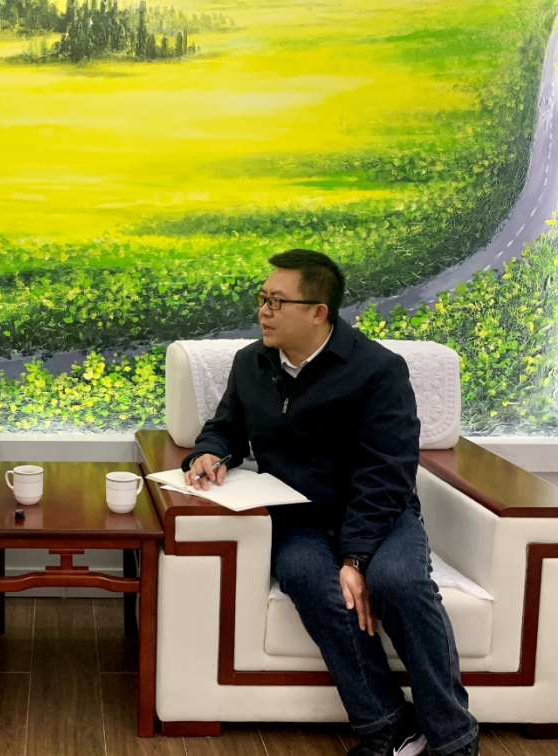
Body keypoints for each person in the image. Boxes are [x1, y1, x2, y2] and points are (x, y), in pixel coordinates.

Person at [183, 249, 479, 756]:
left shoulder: (378, 370)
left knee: (398, 584)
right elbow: (226, 426)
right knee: (307, 577)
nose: (264, 311)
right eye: (262, 298)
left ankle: (454, 737)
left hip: (379, 515)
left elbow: (388, 471)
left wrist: (354, 557)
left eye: (278, 301)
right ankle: (390, 725)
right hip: (297, 517)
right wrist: (209, 452)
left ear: (319, 311)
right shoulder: (251, 363)